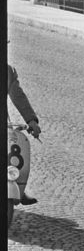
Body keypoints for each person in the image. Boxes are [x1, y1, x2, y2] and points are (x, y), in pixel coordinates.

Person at [8, 62, 42, 205]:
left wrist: (31, 120)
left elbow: (18, 96)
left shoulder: (6, 71)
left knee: (11, 150)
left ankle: (16, 184)